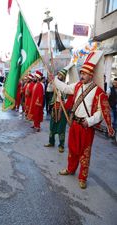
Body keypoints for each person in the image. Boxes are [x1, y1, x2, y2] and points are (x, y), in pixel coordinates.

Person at [54, 51, 114, 189]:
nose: (82, 76)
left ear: (91, 75)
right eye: (81, 73)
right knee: (73, 149)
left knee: (85, 153)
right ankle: (70, 169)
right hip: (74, 123)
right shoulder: (76, 86)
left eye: (84, 74)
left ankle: (83, 177)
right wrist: (55, 80)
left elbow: (101, 112)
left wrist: (90, 121)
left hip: (86, 126)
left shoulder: (98, 91)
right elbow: (64, 88)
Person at [44, 66, 73, 153]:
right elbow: (48, 90)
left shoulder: (66, 87)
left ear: (64, 77)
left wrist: (63, 101)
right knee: (52, 126)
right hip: (54, 108)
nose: (59, 76)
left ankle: (61, 145)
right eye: (58, 75)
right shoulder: (55, 85)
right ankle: (51, 142)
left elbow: (69, 99)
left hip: (63, 109)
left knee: (61, 128)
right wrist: (51, 82)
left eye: (61, 75)